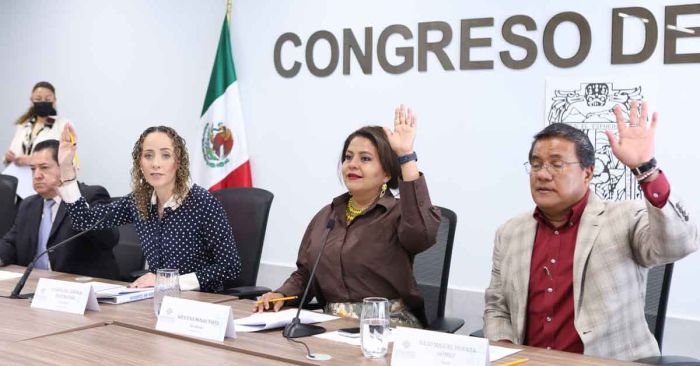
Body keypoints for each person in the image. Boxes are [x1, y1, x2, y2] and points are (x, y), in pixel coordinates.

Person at [483, 101, 699, 361]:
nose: (542, 174)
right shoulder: (509, 232)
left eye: (556, 164)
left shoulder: (624, 217)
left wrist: (647, 171)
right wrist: (506, 352)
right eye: (536, 164)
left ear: (587, 174)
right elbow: (497, 306)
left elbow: (678, 244)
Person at [255, 105, 441, 328]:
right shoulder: (327, 216)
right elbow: (306, 274)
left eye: (365, 159)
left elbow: (422, 234)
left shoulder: (399, 213)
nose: (352, 164)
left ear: (387, 173)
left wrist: (405, 156)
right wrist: (280, 295)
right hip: (330, 325)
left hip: (388, 325)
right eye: (348, 157)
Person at [56, 125, 242, 292]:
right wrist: (65, 168)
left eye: (165, 155)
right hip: (157, 300)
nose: (156, 163)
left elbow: (230, 266)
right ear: (140, 163)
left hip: (201, 304)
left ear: (178, 162)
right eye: (148, 155)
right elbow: (84, 220)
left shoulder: (202, 202)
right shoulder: (139, 201)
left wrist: (169, 282)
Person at [0, 140, 120, 279]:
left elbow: (109, 238)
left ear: (64, 167)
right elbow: (11, 243)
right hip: (35, 286)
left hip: (79, 289)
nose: (37, 175)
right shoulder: (29, 205)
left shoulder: (90, 196)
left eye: (44, 167)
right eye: (33, 169)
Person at [5, 82, 69, 166]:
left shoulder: (63, 125)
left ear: (54, 101)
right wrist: (8, 157)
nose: (43, 102)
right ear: (31, 101)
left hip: (48, 177)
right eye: (38, 99)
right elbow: (14, 151)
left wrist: (33, 160)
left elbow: (66, 157)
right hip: (20, 175)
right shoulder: (23, 125)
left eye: (47, 99)